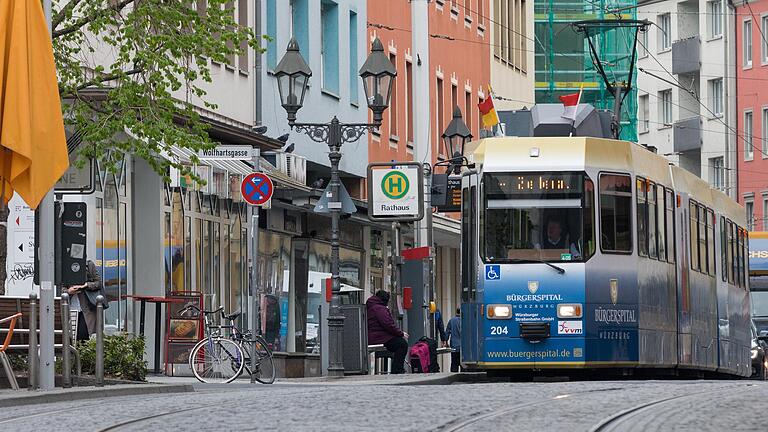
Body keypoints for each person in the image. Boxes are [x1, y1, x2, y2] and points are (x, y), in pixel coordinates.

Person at [366, 290, 409, 374]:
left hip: (377, 336)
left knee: (398, 343)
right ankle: (397, 369)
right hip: (379, 338)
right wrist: (401, 333)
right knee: (402, 344)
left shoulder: (373, 306)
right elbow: (388, 324)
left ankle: (397, 368)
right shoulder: (379, 308)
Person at [63, 260, 102, 341]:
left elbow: (98, 283)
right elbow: (58, 287)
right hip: (70, 307)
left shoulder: (88, 264)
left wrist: (86, 285)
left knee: (83, 334)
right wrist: (68, 291)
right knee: (70, 336)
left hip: (86, 306)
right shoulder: (64, 265)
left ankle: (80, 353)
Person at [445, 308, 462, 372]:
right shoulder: (465, 320)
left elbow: (447, 332)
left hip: (454, 346)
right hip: (463, 348)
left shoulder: (451, 321)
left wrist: (446, 342)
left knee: (454, 364)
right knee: (463, 364)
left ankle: (454, 375)